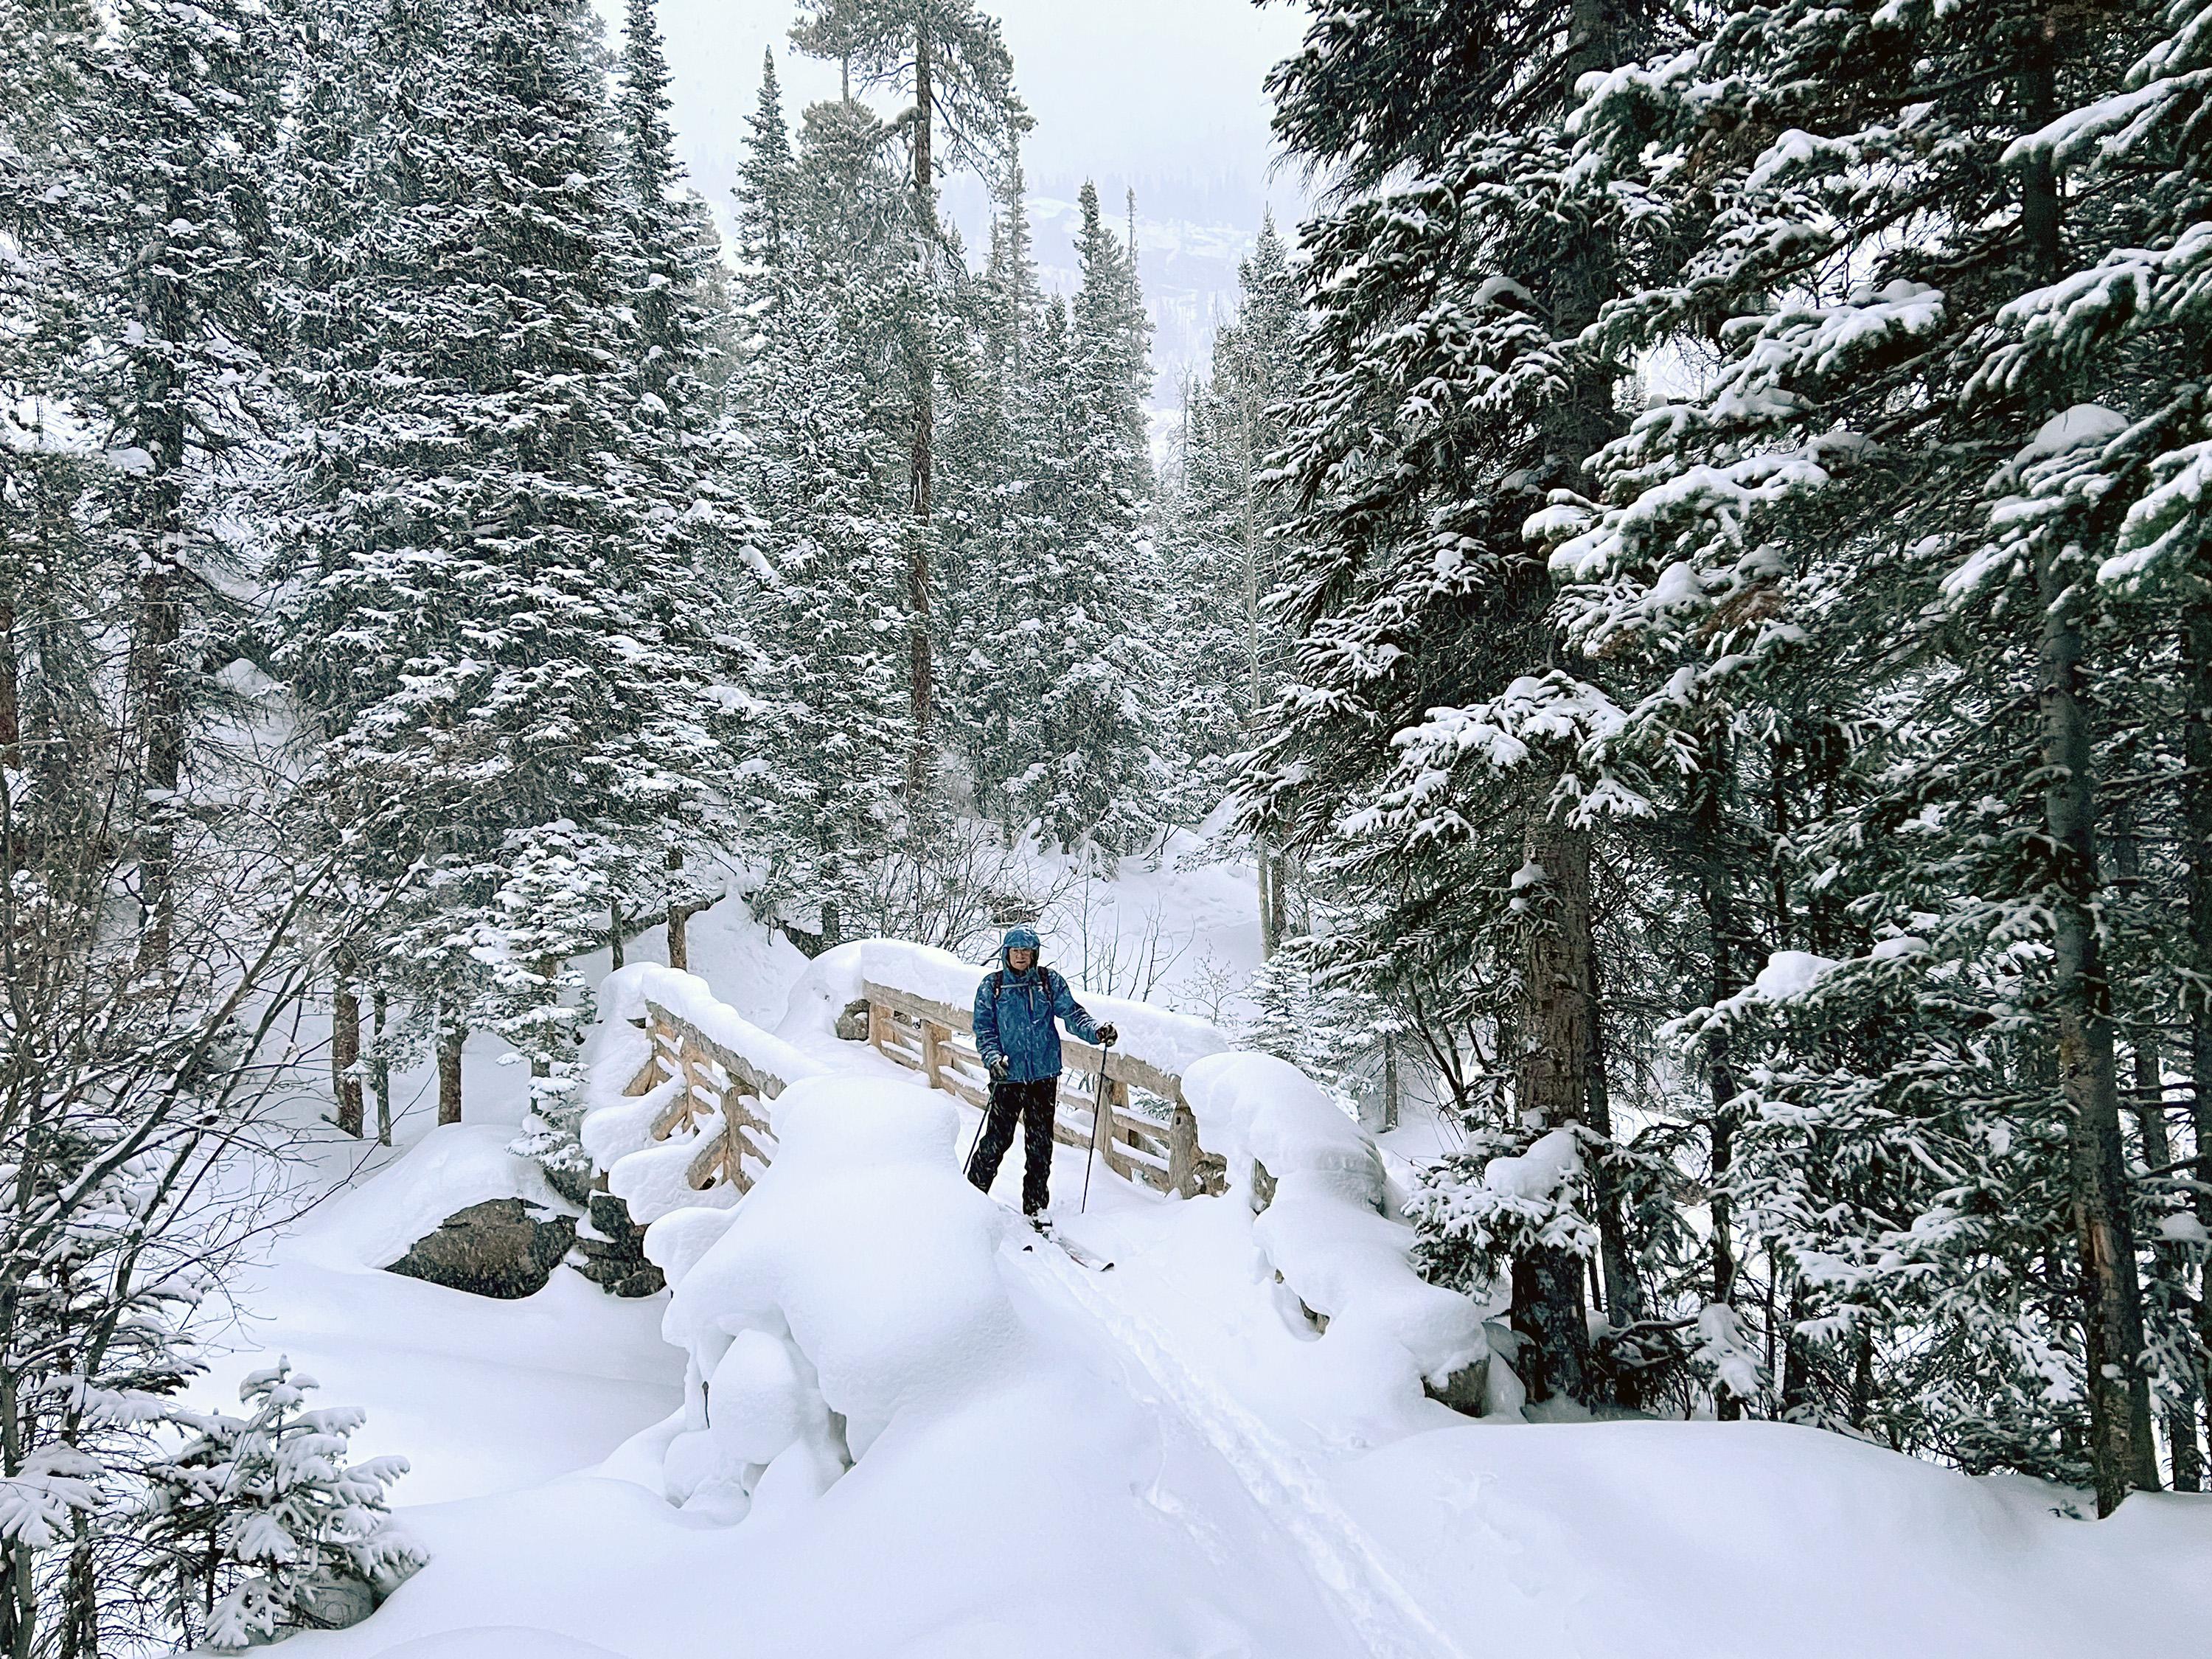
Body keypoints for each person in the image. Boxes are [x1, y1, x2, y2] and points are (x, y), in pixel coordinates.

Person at [967, 925, 1117, 1220]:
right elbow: (984, 1029)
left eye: (1026, 951)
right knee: (996, 1141)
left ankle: (1036, 1207)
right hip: (1008, 1075)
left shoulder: (1049, 982)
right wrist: (993, 1057)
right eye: (1015, 951)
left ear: (1034, 953)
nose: (1021, 956)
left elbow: (1072, 1014)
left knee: (1040, 1146)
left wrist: (1096, 1031)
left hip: (1044, 1076)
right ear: (1006, 953)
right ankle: (971, 1196)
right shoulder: (992, 986)